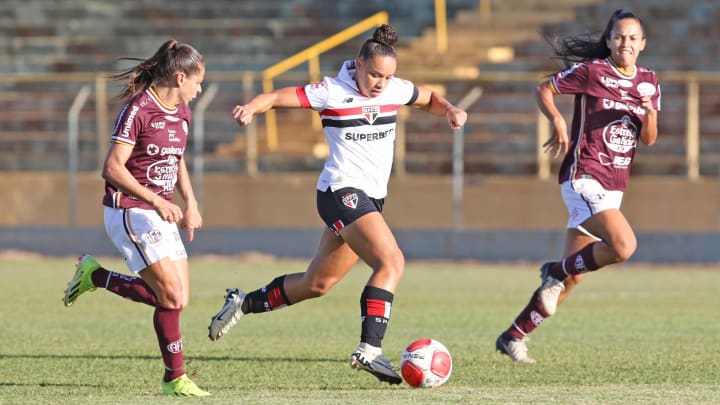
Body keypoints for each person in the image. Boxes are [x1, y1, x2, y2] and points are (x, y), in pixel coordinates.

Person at [207, 24, 467, 385]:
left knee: (317, 284)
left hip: (369, 199)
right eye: (374, 73)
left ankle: (243, 303)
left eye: (387, 75)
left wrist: (451, 109)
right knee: (391, 261)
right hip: (341, 193)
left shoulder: (395, 88)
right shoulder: (331, 90)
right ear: (358, 64)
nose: (380, 82)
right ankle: (369, 350)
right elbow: (281, 96)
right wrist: (253, 107)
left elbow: (429, 98)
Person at [496, 9, 660, 363]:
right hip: (584, 175)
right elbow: (544, 88)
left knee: (574, 275)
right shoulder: (593, 71)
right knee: (623, 245)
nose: (625, 43)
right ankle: (554, 269)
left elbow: (648, 139)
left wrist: (650, 113)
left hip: (615, 185)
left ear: (643, 44)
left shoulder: (649, 81)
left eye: (632, 38)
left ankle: (513, 335)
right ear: (608, 40)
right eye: (618, 37)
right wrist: (557, 121)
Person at [62, 39, 210, 396]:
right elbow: (112, 168)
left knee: (178, 298)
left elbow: (176, 160)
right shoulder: (139, 109)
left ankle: (95, 275)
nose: (200, 88)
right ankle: (175, 379)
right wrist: (156, 201)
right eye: (197, 81)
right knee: (171, 296)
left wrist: (190, 203)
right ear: (179, 78)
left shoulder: (183, 114)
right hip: (129, 209)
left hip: (159, 211)